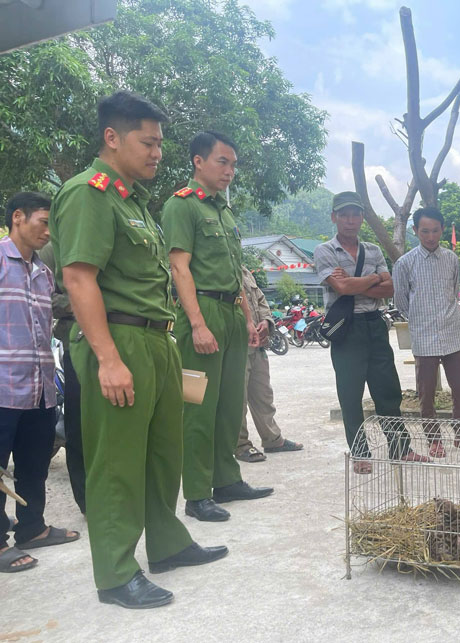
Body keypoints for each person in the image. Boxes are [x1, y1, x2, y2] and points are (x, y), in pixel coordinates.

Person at [51, 92, 227, 608]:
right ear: (113, 137)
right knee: (118, 462)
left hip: (156, 338)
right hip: (119, 339)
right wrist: (107, 358)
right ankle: (115, 573)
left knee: (160, 452)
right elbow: (79, 277)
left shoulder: (133, 202)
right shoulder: (88, 193)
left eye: (159, 143)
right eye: (147, 142)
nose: (156, 152)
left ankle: (168, 544)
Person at [162, 131, 272, 522]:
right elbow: (179, 268)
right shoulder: (182, 206)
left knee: (229, 406)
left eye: (233, 164)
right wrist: (196, 324)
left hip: (230, 314)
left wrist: (247, 321)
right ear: (198, 161)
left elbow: (236, 275)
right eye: (222, 162)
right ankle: (196, 494)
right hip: (202, 314)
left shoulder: (224, 212)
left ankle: (226, 480)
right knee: (198, 407)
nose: (229, 171)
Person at [313, 191, 426, 474]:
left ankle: (400, 448)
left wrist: (356, 281)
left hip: (375, 324)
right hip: (346, 329)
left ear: (362, 217)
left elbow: (390, 290)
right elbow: (342, 289)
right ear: (334, 217)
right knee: (350, 394)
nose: (350, 220)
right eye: (344, 215)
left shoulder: (373, 250)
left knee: (388, 390)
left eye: (355, 214)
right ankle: (360, 452)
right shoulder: (324, 251)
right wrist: (375, 278)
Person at [0, 192, 80, 574]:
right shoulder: (0, 260)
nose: (49, 231)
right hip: (3, 387)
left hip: (40, 387)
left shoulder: (44, 273)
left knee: (34, 465)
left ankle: (32, 528)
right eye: (43, 222)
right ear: (18, 217)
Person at [392, 207, 460, 457]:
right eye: (425, 231)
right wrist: (421, 320)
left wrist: (443, 315)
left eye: (435, 231)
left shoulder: (451, 258)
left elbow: (453, 290)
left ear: (442, 229)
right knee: (426, 393)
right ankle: (434, 440)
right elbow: (401, 301)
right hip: (424, 337)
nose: (430, 236)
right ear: (415, 231)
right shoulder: (405, 263)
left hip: (453, 333)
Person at [36, 242, 86, 514]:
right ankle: (88, 499)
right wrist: (87, 301)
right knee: (78, 424)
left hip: (124, 341)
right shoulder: (53, 249)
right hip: (78, 341)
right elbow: (45, 297)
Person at [235, 266, 303, 463]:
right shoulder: (222, 268)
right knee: (238, 397)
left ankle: (273, 439)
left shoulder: (245, 271)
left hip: (258, 341)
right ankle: (240, 445)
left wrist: (266, 321)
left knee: (263, 393)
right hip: (238, 339)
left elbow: (261, 300)